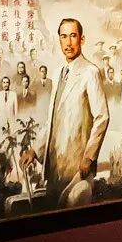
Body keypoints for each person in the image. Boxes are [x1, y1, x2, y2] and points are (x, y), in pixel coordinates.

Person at [21, 18, 109, 208]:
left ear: (82, 39)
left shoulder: (90, 72)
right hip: (54, 166)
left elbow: (102, 117)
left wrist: (89, 156)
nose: (68, 43)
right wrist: (35, 150)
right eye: (63, 36)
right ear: (59, 39)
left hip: (78, 165)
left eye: (73, 36)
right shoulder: (58, 73)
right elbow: (52, 120)